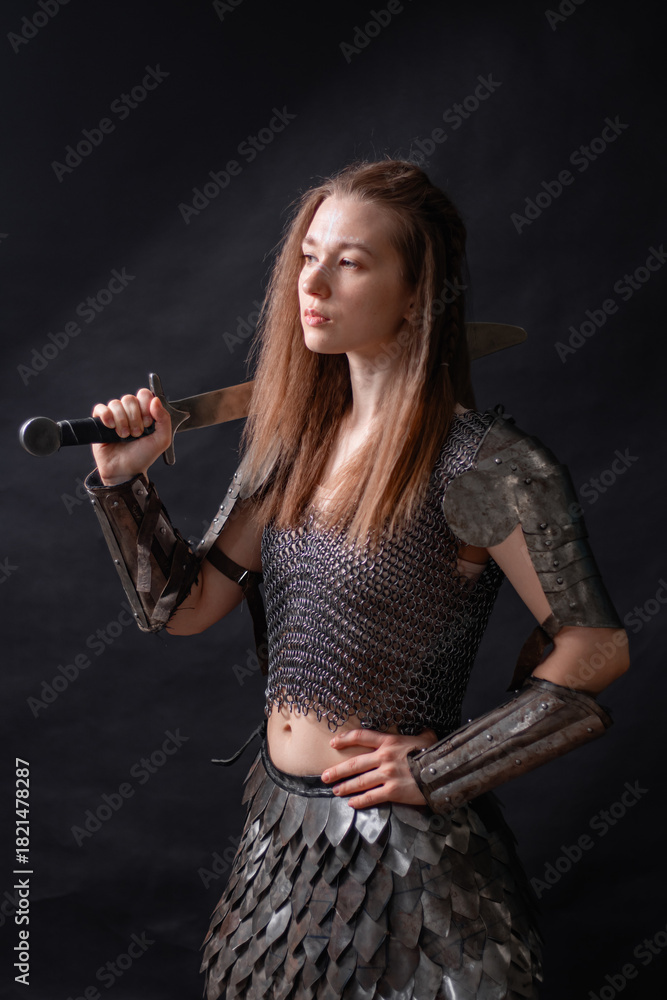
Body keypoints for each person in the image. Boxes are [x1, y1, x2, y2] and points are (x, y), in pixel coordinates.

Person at [84, 160, 629, 1000]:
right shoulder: (288, 447)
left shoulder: (488, 466)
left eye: (351, 261)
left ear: (417, 293)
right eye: (308, 256)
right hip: (278, 849)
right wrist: (125, 484)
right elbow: (185, 609)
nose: (315, 283)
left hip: (410, 862)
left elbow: (595, 647)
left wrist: (446, 767)